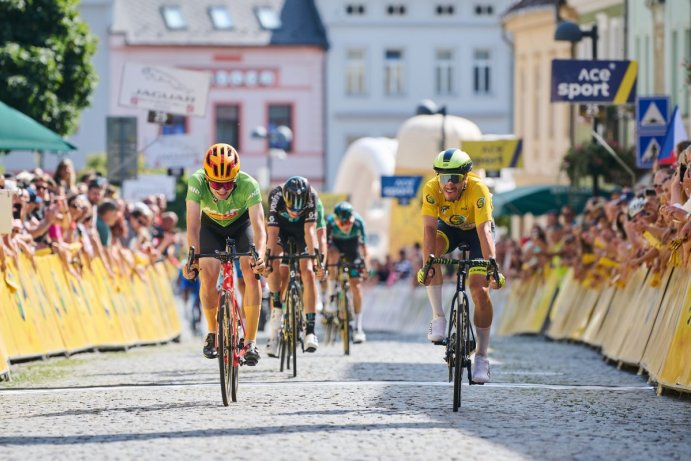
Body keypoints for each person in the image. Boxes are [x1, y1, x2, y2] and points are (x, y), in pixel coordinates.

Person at [416, 148, 505, 384]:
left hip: (477, 232)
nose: (449, 184)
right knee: (432, 256)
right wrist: (427, 264)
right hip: (448, 230)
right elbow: (427, 229)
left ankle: (482, 358)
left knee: (479, 290)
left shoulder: (479, 189)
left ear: (465, 177)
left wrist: (492, 267)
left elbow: (485, 230)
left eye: (454, 177)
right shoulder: (431, 189)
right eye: (444, 178)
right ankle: (438, 317)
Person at [183, 143, 266, 365]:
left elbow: (259, 226)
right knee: (207, 276)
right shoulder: (196, 182)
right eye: (216, 184)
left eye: (228, 183)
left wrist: (262, 255)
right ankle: (212, 332)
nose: (221, 189)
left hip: (241, 225)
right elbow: (192, 225)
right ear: (206, 178)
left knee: (251, 272)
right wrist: (192, 257)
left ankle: (250, 341)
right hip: (210, 227)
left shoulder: (249, 184)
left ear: (236, 177)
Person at [265, 176, 325, 357]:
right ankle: (275, 317)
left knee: (307, 272)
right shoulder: (276, 195)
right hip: (281, 230)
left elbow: (310, 232)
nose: (294, 212)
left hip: (302, 231)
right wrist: (268, 259)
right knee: (274, 264)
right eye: (291, 209)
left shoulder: (312, 196)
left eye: (298, 210)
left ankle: (310, 331)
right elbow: (273, 233)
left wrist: (317, 262)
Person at [326, 201, 369, 343]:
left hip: (352, 247)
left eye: (347, 224)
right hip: (336, 246)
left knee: (356, 285)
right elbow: (325, 245)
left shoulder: (358, 222)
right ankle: (332, 292)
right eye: (342, 224)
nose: (345, 227)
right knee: (332, 256)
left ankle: (358, 327)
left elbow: (364, 248)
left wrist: (366, 266)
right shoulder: (330, 222)